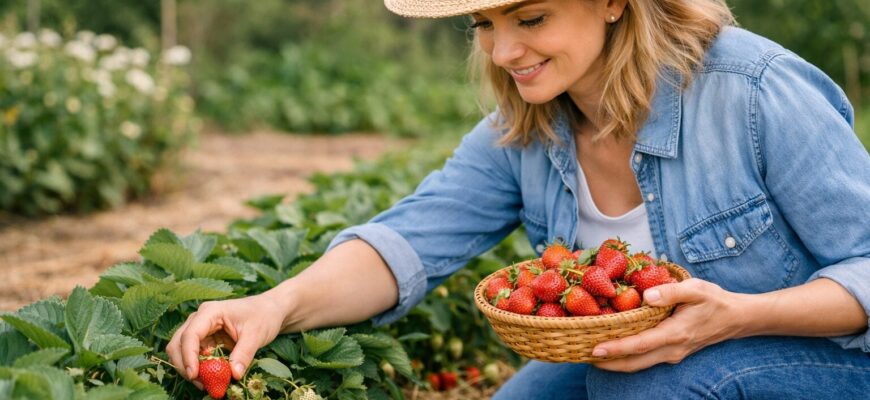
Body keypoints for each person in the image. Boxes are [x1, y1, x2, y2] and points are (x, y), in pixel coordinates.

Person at [167, 0, 870, 398]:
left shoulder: (751, 92)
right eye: (482, 23)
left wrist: (737, 318)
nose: (502, 51)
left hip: (825, 357)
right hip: (638, 358)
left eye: (529, 17)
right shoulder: (526, 130)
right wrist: (274, 305)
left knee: (645, 391)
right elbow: (409, 240)